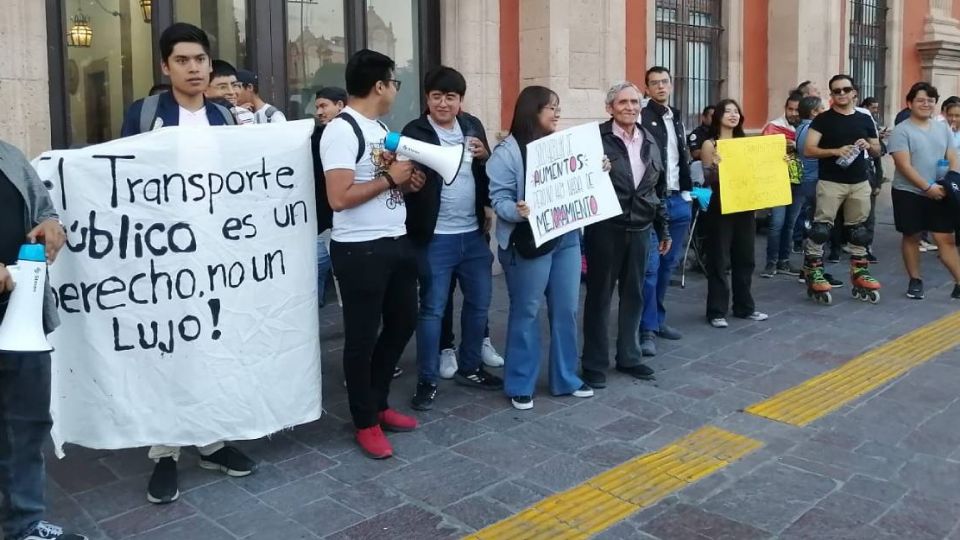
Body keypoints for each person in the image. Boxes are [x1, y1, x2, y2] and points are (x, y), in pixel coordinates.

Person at [119, 22, 255, 505]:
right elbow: (124, 183)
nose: (194, 68)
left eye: (200, 59)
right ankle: (165, 451)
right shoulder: (145, 113)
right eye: (182, 60)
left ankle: (212, 440)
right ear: (165, 66)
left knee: (213, 342)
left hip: (215, 252)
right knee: (168, 349)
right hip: (162, 254)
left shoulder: (223, 117)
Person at [320, 49, 425, 458]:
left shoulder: (380, 127)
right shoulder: (342, 130)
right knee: (361, 338)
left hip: (394, 241)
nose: (396, 90)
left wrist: (405, 184)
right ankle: (364, 419)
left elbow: (385, 182)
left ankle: (378, 403)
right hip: (360, 250)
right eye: (394, 82)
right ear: (380, 85)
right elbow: (339, 198)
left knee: (402, 323)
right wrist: (389, 178)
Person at [400, 66, 503, 411]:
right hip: (435, 237)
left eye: (451, 97)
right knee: (431, 309)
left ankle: (471, 366)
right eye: (437, 96)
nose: (444, 104)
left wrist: (486, 159)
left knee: (479, 303)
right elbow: (402, 181)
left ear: (460, 100)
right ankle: (427, 379)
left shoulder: (472, 126)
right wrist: (408, 184)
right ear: (427, 98)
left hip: (473, 235)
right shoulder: (414, 131)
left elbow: (488, 173)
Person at [487, 86, 593, 410]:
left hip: (566, 238)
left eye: (558, 107)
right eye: (551, 108)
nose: (557, 113)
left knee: (566, 309)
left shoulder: (562, 145)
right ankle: (520, 383)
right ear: (532, 111)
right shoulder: (508, 152)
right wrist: (515, 211)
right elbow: (498, 198)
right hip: (529, 242)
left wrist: (596, 169)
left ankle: (566, 378)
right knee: (527, 310)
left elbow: (580, 178)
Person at [0, 141, 85, 540]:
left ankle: (25, 525)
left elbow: (44, 211)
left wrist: (52, 226)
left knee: (26, 425)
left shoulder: (8, 155)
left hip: (21, 314)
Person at [581, 82, 669, 388]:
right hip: (605, 229)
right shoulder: (594, 139)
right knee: (599, 297)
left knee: (634, 294)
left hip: (642, 228)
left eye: (634, 102)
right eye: (623, 103)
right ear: (610, 108)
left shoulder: (651, 139)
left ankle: (630, 357)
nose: (630, 107)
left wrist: (663, 226)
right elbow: (579, 181)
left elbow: (658, 189)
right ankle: (593, 363)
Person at [802, 74, 882, 304]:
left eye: (845, 89)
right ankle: (814, 270)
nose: (841, 94)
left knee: (860, 231)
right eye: (836, 91)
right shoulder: (823, 120)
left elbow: (877, 148)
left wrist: (870, 145)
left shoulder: (865, 119)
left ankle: (860, 272)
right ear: (831, 95)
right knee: (821, 229)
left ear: (854, 92)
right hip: (831, 181)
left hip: (859, 181)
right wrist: (835, 151)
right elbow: (809, 150)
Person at [887, 82, 960, 300]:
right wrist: (927, 188)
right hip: (909, 192)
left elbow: (952, 154)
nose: (926, 104)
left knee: (944, 238)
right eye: (920, 100)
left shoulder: (942, 127)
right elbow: (904, 165)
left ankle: (959, 281)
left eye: (930, 100)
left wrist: (951, 180)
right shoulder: (902, 131)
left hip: (941, 190)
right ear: (909, 103)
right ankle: (915, 280)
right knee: (912, 236)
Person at [700, 100, 769, 328]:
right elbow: (707, 179)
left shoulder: (746, 143)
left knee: (745, 257)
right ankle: (716, 310)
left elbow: (758, 171)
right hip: (721, 204)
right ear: (718, 116)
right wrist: (717, 168)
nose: (733, 115)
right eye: (727, 111)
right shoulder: (711, 144)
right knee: (719, 258)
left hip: (745, 204)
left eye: (736, 111)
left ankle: (744, 307)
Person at [639, 67, 692, 356]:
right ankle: (645, 327)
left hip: (678, 199)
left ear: (671, 85)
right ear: (646, 88)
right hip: (653, 202)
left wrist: (687, 193)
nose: (660, 86)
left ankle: (658, 320)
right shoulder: (642, 117)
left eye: (664, 82)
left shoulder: (677, 118)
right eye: (654, 83)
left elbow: (680, 157)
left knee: (668, 267)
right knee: (651, 267)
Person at [795, 96, 844, 289]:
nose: (825, 110)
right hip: (816, 179)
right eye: (822, 107)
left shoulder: (800, 128)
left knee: (813, 223)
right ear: (814, 112)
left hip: (807, 179)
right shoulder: (813, 129)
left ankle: (810, 267)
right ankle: (814, 268)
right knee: (820, 226)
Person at [761, 92, 803, 278]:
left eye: (797, 110)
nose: (793, 113)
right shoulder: (774, 126)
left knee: (790, 225)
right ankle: (771, 263)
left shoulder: (808, 129)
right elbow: (763, 150)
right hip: (778, 181)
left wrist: (797, 144)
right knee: (776, 223)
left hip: (799, 182)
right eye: (790, 109)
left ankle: (784, 262)